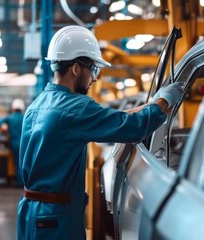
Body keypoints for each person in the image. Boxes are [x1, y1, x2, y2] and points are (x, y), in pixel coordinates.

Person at [17, 25, 183, 240]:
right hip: (56, 220)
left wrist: (150, 104)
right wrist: (165, 101)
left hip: (31, 214)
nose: (94, 78)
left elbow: (115, 118)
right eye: (93, 69)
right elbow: (133, 128)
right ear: (76, 69)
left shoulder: (38, 105)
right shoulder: (75, 108)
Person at [0, 99, 25, 186]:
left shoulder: (9, 117)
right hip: (24, 144)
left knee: (17, 163)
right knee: (23, 163)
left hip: (14, 144)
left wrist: (5, 128)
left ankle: (20, 182)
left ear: (13, 108)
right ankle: (24, 182)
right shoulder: (25, 117)